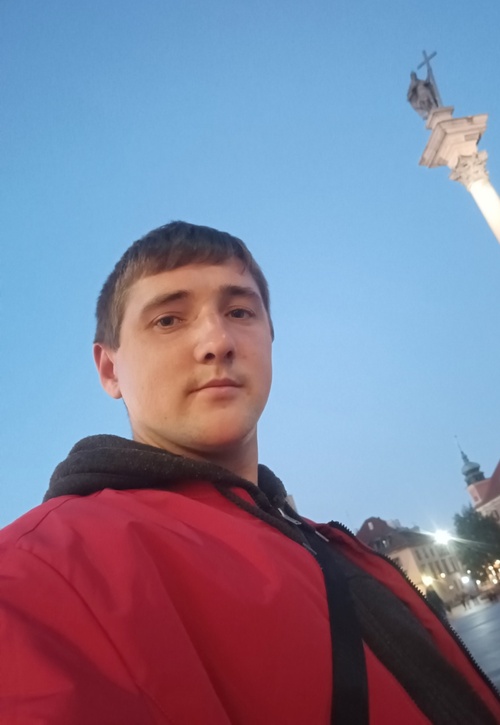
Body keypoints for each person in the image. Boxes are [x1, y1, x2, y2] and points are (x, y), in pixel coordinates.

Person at [0, 221, 499, 724]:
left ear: (269, 338)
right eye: (168, 320)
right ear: (110, 369)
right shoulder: (40, 573)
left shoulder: (322, 544)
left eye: (239, 312)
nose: (217, 341)